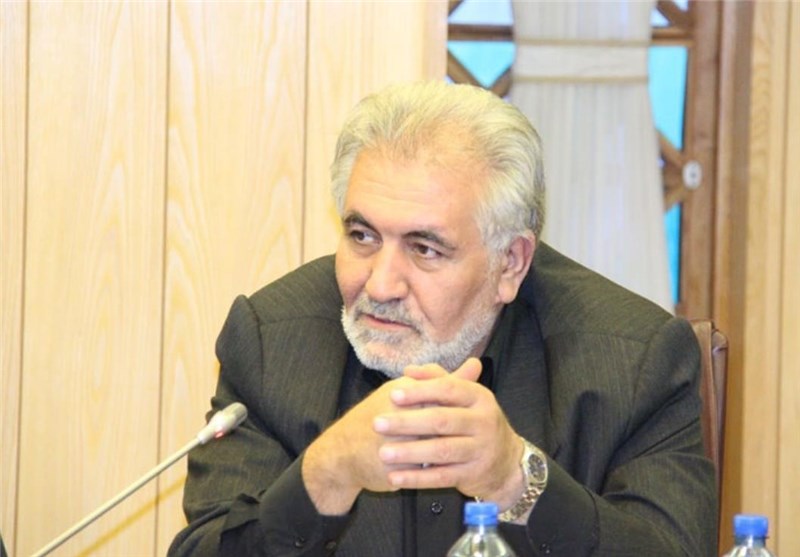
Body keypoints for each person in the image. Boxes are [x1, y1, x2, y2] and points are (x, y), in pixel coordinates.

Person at [169, 81, 717, 556]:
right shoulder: (270, 344)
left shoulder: (635, 362)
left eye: (425, 249)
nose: (380, 285)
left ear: (511, 262)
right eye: (362, 236)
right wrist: (325, 475)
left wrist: (517, 482)